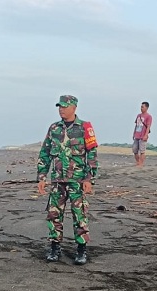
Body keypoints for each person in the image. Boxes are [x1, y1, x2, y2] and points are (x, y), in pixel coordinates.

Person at [37, 95, 98, 265]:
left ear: (74, 108)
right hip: (57, 180)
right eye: (59, 106)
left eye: (64, 106)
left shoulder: (85, 127)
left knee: (80, 215)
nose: (61, 109)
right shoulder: (54, 128)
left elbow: (92, 155)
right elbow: (45, 153)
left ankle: (81, 249)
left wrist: (89, 179)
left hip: (77, 181)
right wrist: (41, 177)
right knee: (54, 214)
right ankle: (55, 247)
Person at [132, 101, 152, 167]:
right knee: (135, 150)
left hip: (143, 135)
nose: (141, 108)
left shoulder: (148, 116)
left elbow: (148, 126)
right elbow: (136, 125)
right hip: (137, 135)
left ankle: (141, 164)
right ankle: (138, 162)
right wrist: (133, 133)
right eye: (141, 107)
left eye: (142, 107)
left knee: (142, 151)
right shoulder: (138, 115)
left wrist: (146, 135)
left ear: (146, 108)